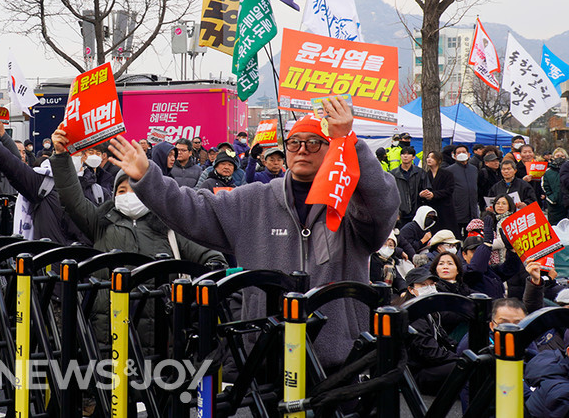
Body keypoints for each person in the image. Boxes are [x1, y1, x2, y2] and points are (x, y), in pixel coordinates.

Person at [108, 96, 400, 369]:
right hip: (265, 354)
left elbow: (383, 205)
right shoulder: (252, 199)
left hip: (339, 358)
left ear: (331, 148)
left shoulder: (348, 202)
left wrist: (349, 142)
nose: (301, 149)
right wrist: (148, 178)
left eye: (313, 143)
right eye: (294, 142)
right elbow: (192, 209)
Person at [49, 125, 226, 353]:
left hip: (158, 339)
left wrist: (214, 272)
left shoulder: (169, 226)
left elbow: (207, 255)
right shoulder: (101, 222)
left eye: (135, 190)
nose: (128, 196)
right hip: (106, 336)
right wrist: (61, 156)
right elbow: (71, 198)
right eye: (122, 191)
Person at [394, 267, 456, 395]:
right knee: (462, 366)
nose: (429, 288)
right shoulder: (412, 316)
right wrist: (460, 358)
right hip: (416, 374)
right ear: (411, 289)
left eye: (432, 284)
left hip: (429, 366)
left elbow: (443, 338)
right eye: (423, 285)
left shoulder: (430, 310)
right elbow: (431, 353)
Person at [419, 151, 456, 233]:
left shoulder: (447, 174)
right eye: (428, 157)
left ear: (439, 160)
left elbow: (450, 189)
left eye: (432, 157)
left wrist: (434, 194)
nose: (429, 159)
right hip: (431, 208)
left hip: (445, 207)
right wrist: (423, 194)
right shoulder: (425, 175)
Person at [446, 145, 479, 237]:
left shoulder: (474, 169)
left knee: (471, 236)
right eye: (458, 152)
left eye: (464, 152)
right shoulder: (449, 170)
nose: (461, 154)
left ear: (468, 154)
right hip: (457, 209)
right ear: (454, 156)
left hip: (472, 208)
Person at [391, 145, 424, 228]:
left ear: (413, 157)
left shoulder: (420, 172)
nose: (405, 156)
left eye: (408, 154)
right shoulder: (393, 174)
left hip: (416, 212)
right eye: (403, 154)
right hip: (400, 213)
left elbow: (425, 189)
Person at [544, 148, 568, 224]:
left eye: (562, 156)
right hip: (554, 206)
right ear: (553, 157)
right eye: (557, 155)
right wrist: (552, 198)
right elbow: (545, 187)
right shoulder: (548, 172)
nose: (560, 157)